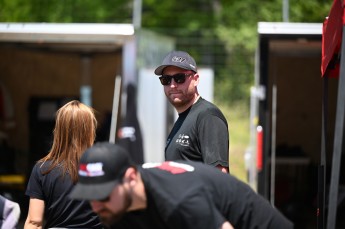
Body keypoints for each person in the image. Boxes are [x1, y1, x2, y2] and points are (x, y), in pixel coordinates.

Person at [70, 142, 293, 229]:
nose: (96, 206)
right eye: (89, 197)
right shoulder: (118, 211)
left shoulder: (178, 201)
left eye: (103, 195)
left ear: (130, 178)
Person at [24, 100, 103, 229]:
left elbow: (34, 221)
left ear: (58, 130)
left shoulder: (42, 169)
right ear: (90, 130)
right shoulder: (101, 167)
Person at [154, 50, 230, 173]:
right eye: (166, 80)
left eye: (179, 78)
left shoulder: (208, 116)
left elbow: (219, 176)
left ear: (196, 79)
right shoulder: (184, 118)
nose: (172, 85)